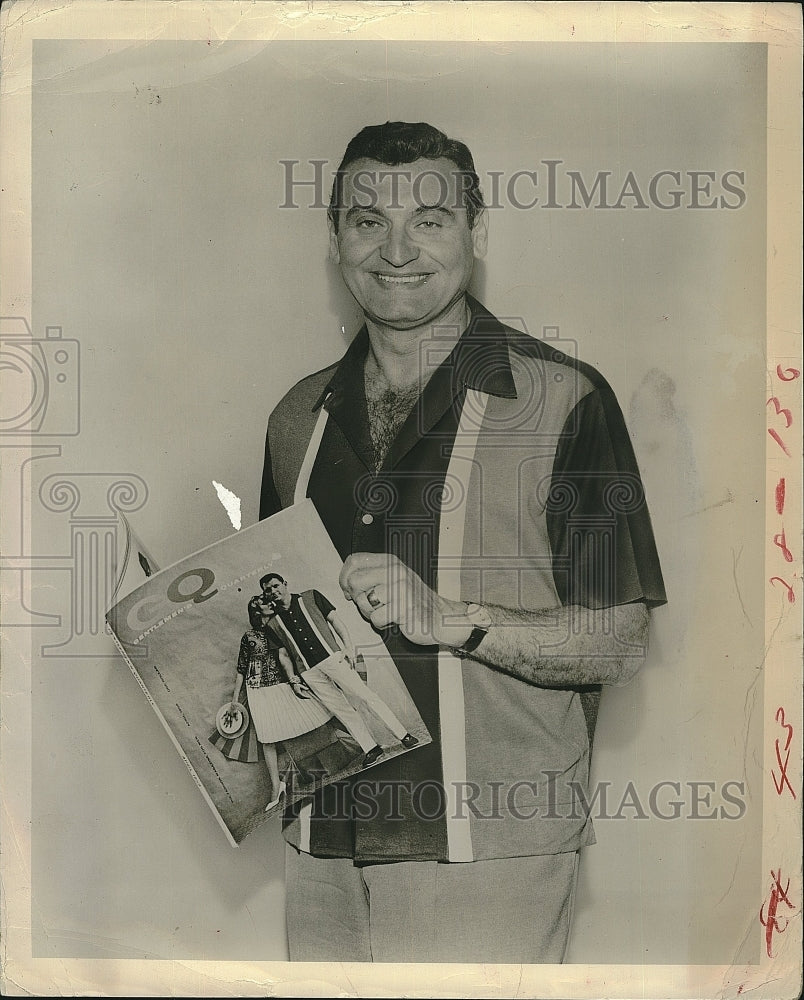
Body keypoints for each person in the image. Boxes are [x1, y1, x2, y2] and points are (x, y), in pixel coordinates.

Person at [259, 121, 667, 963]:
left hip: (489, 852)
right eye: (368, 220)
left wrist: (455, 617)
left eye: (431, 220)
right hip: (319, 843)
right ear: (334, 238)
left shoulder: (563, 400)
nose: (397, 249)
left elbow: (620, 639)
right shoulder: (297, 417)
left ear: (476, 236)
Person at [260, 573, 418, 767]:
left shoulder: (311, 596)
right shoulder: (273, 623)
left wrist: (348, 647)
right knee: (342, 710)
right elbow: (283, 655)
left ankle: (404, 735)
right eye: (268, 590)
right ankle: (371, 748)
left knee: (366, 696)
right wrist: (294, 679)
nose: (273, 591)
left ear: (284, 584)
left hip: (333, 658)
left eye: (276, 586)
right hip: (309, 672)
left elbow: (335, 621)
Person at [228, 593, 332, 809]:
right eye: (264, 603)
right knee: (267, 739)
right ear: (257, 611)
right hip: (257, 690)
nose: (270, 603)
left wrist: (295, 680)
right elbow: (241, 669)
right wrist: (234, 701)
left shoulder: (281, 628)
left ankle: (362, 745)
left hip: (283, 684)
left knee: (321, 712)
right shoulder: (250, 637)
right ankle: (276, 789)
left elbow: (288, 658)